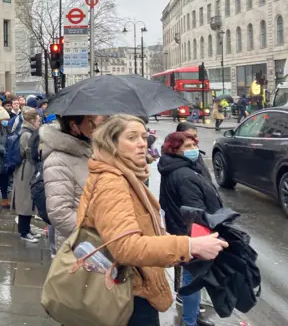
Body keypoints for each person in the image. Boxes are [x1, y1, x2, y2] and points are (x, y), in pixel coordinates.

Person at [78, 115, 229, 325]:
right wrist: (189, 245)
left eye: (143, 136)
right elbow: (125, 247)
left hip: (133, 285)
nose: (142, 143)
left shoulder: (126, 176)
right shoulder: (113, 183)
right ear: (111, 143)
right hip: (129, 292)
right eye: (131, 137)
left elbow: (133, 229)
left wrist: (165, 238)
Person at [158, 132, 223, 326]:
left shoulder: (173, 167)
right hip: (193, 233)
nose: (193, 150)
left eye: (194, 145)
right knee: (193, 279)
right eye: (187, 146)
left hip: (181, 229)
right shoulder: (185, 175)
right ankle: (189, 321)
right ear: (175, 149)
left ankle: (193, 317)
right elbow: (196, 211)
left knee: (193, 277)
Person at [42, 114, 105, 250]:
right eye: (90, 120)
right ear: (74, 126)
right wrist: (94, 237)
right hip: (81, 249)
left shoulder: (93, 151)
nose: (96, 123)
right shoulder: (57, 161)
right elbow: (59, 214)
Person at [13, 109, 43, 243]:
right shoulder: (26, 134)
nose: (39, 123)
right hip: (25, 171)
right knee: (24, 201)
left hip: (27, 170)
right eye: (37, 120)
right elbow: (30, 154)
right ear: (32, 121)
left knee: (28, 201)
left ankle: (26, 229)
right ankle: (23, 232)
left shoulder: (29, 132)